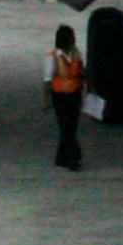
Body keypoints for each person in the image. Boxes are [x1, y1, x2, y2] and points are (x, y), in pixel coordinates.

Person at [45, 25, 88, 170]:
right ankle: (74, 158)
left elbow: (81, 71)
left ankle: (61, 157)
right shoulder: (52, 56)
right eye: (72, 37)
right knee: (66, 127)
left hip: (75, 94)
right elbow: (47, 79)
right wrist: (46, 99)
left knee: (70, 127)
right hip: (59, 96)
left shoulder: (76, 54)